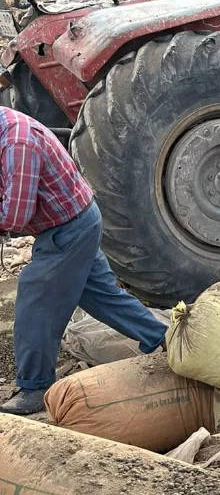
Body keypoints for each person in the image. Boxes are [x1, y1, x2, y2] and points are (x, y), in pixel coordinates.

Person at [0, 108, 168, 415]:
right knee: (102, 297)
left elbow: (15, 216)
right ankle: (162, 337)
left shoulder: (17, 142)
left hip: (68, 229)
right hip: (76, 221)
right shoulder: (6, 132)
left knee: (36, 299)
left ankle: (35, 387)